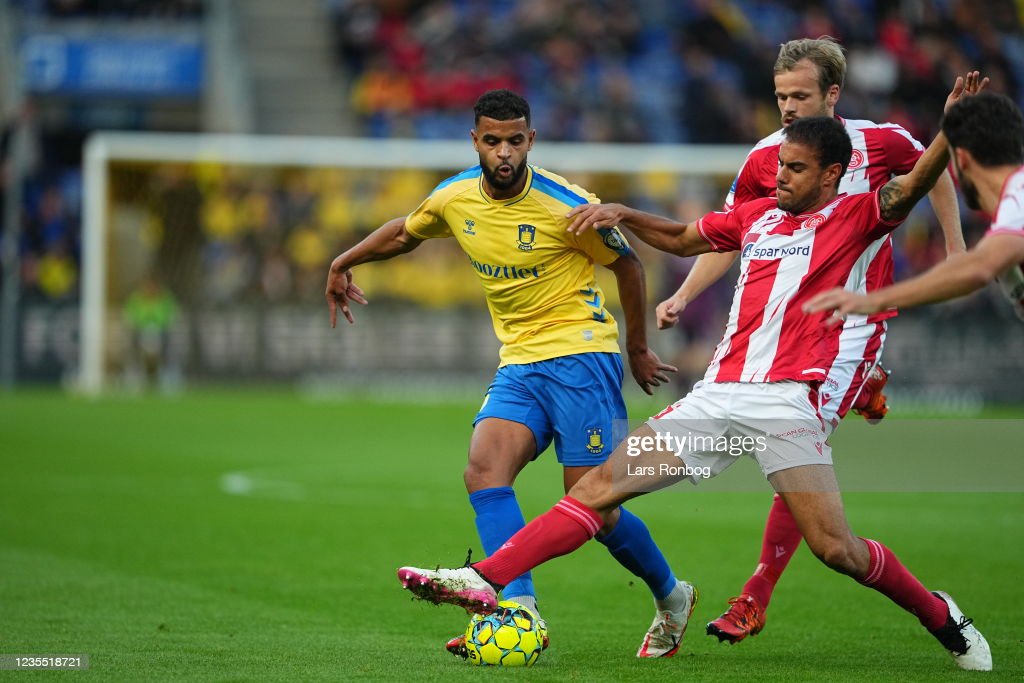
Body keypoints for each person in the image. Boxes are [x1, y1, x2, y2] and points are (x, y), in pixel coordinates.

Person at [397, 75, 992, 672]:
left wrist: (949, 127)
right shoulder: (756, 216)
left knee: (837, 550)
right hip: (717, 402)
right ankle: (484, 580)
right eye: (780, 164)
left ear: (832, 176)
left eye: (796, 169)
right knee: (596, 490)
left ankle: (940, 615)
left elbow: (913, 185)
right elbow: (684, 239)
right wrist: (625, 212)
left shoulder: (859, 216)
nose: (779, 175)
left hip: (788, 407)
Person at [326, 89, 694, 658]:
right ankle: (516, 612)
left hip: (581, 355)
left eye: (515, 141)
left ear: (531, 141)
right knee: (483, 469)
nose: (503, 152)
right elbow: (405, 232)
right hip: (519, 362)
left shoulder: (564, 204)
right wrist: (343, 260)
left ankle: (672, 595)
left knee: (593, 505)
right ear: (475, 140)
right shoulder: (454, 198)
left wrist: (638, 348)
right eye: (492, 140)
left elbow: (627, 262)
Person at [655, 37, 966, 644]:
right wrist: (685, 296)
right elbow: (728, 235)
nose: (789, 107)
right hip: (787, 323)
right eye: (780, 96)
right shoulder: (764, 158)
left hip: (853, 321)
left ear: (832, 94)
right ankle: (865, 387)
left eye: (800, 95)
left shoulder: (883, 142)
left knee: (802, 439)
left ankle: (755, 596)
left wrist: (955, 251)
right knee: (798, 442)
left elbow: (931, 172)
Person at [805, 92, 1024, 321]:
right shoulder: (1010, 209)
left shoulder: (1018, 198)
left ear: (961, 159)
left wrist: (871, 301)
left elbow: (978, 269)